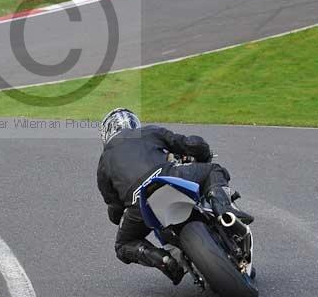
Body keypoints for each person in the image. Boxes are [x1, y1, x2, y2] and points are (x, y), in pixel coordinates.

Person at [97, 108, 253, 286]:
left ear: (107, 132)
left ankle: (164, 260)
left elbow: (114, 208)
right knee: (213, 170)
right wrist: (204, 154)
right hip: (168, 176)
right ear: (133, 123)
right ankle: (226, 212)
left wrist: (121, 214)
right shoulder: (149, 131)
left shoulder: (104, 162)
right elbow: (191, 143)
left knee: (123, 244)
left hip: (139, 202)